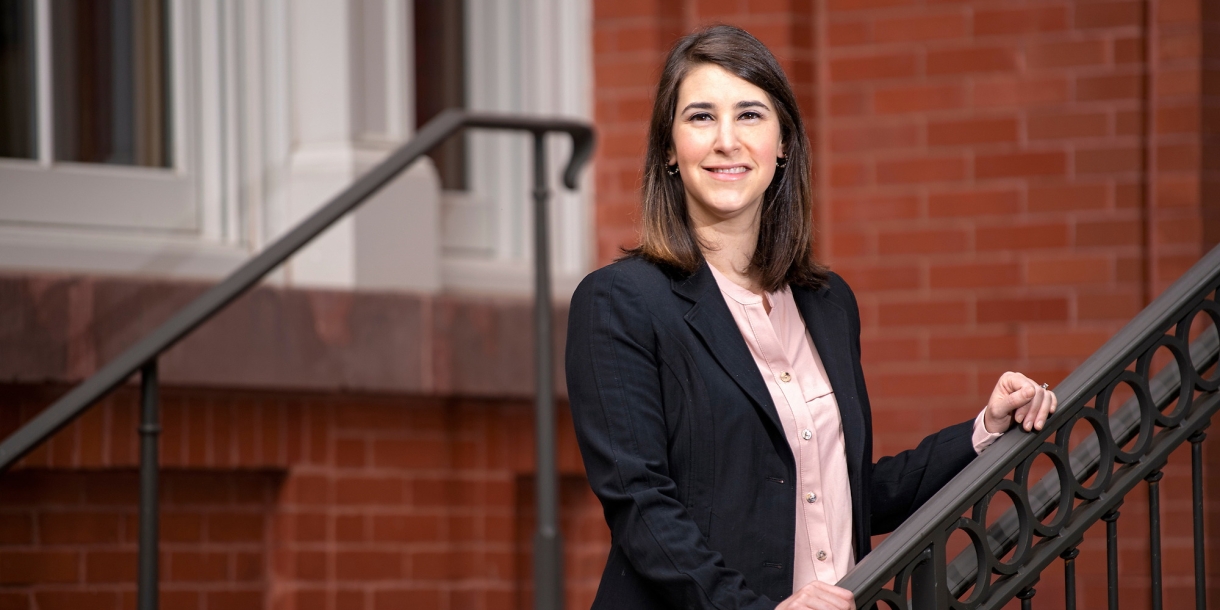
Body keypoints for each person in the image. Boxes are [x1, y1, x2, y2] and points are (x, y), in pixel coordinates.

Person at [565, 25, 1057, 610]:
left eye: (749, 114)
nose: (726, 140)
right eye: (701, 117)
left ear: (783, 144)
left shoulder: (827, 303)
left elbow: (842, 489)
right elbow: (641, 504)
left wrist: (984, 430)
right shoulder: (620, 301)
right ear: (669, 149)